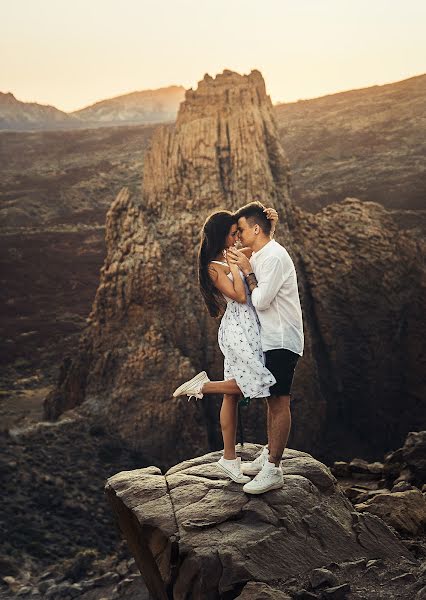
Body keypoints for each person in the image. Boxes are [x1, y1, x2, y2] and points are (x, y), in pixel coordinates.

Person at [172, 207, 278, 485]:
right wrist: (235, 265)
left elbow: (263, 250)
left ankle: (229, 459)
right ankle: (202, 387)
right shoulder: (213, 267)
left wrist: (271, 225)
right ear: (222, 236)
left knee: (232, 394)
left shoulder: (234, 255)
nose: (237, 238)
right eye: (233, 234)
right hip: (237, 329)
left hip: (251, 328)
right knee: (252, 382)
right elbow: (241, 296)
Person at [226, 201, 304, 494]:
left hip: (282, 340)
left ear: (256, 228)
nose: (239, 237)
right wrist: (242, 261)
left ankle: (274, 468)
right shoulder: (263, 254)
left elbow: (260, 301)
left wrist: (247, 270)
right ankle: (269, 456)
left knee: (279, 401)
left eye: (242, 230)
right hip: (272, 339)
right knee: (271, 399)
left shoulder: (273, 256)